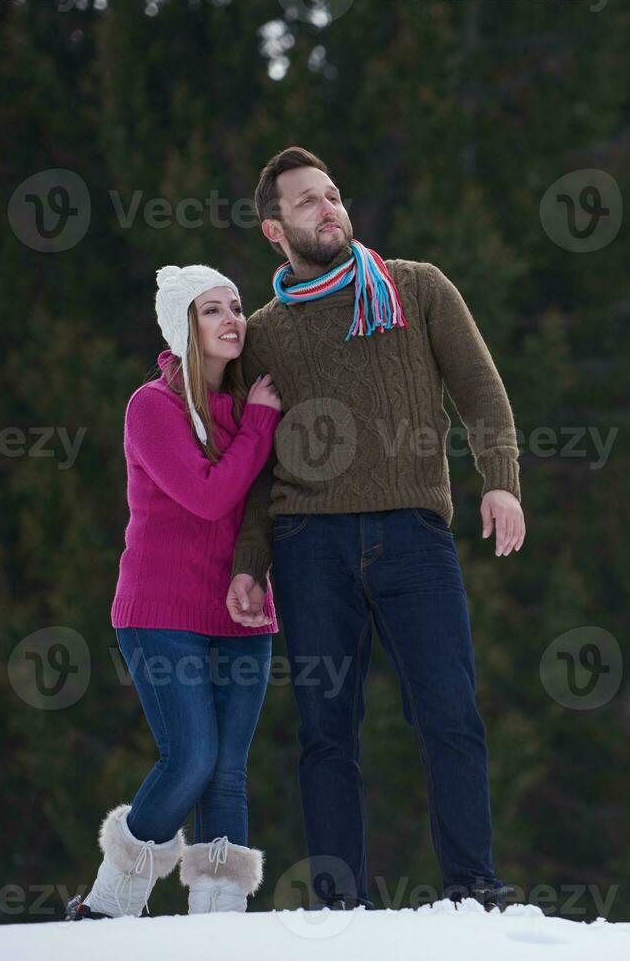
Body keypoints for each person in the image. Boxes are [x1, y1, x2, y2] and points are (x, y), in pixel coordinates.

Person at [225, 146, 525, 910]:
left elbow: (481, 392)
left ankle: (474, 887)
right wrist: (249, 563)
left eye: (331, 194)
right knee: (327, 732)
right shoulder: (261, 335)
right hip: (307, 547)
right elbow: (255, 463)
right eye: (306, 202)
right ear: (273, 230)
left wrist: (502, 484)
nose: (328, 208)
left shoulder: (414, 288)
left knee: (449, 711)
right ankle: (339, 903)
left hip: (413, 536)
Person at [65, 266, 284, 920]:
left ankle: (217, 922)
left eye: (237, 307)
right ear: (183, 328)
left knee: (228, 773)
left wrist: (260, 420)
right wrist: (261, 427)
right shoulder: (151, 406)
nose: (231, 319)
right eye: (211, 309)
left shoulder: (251, 404)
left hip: (244, 610)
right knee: (191, 757)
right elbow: (208, 496)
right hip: (162, 611)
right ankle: (111, 902)